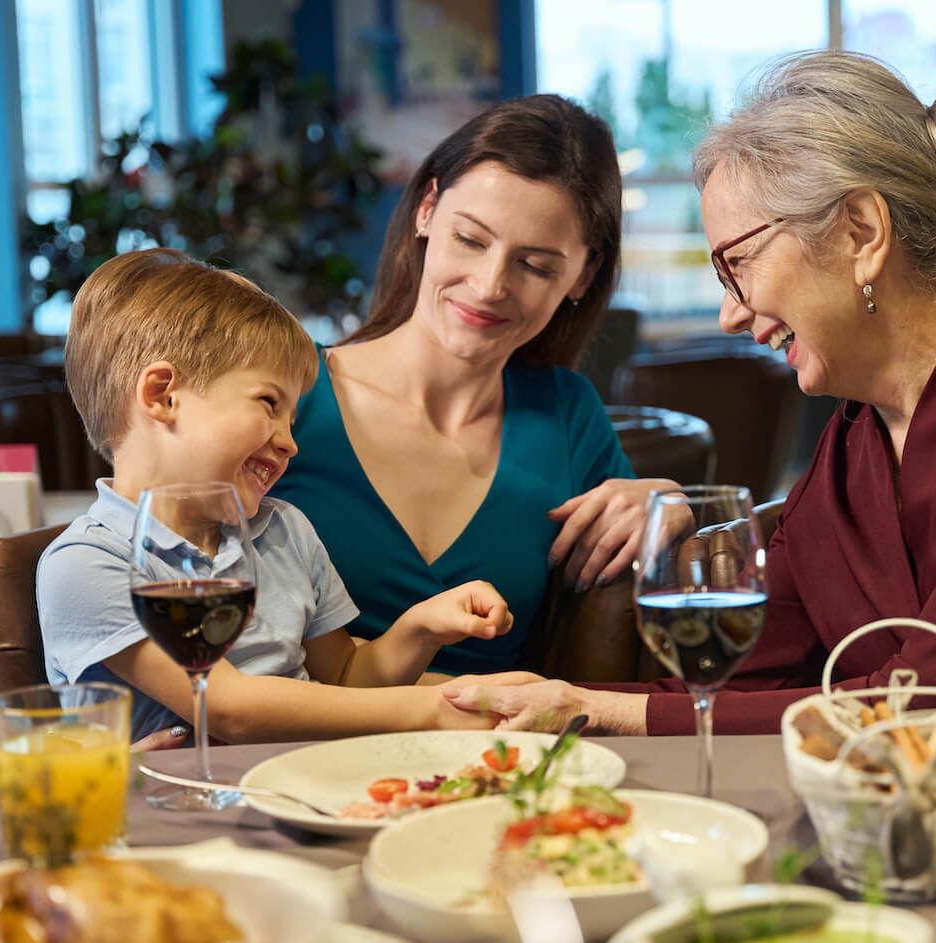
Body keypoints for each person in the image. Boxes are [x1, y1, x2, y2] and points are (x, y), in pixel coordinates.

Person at [442, 51, 936, 734]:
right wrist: (543, 694)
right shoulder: (855, 441)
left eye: (736, 264)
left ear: (861, 233)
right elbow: (734, 679)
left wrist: (596, 708)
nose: (730, 312)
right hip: (893, 833)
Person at [271, 94, 680, 678]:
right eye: (470, 239)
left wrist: (668, 507)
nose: (490, 286)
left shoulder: (567, 414)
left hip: (487, 764)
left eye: (536, 266)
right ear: (427, 210)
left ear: (583, 276)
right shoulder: (289, 390)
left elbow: (660, 590)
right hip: (290, 756)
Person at [38, 248, 514, 742]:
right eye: (269, 403)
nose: (291, 441)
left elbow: (346, 679)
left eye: (291, 416)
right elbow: (228, 708)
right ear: (163, 396)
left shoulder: (284, 530)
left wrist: (420, 627)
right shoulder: (88, 563)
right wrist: (432, 709)